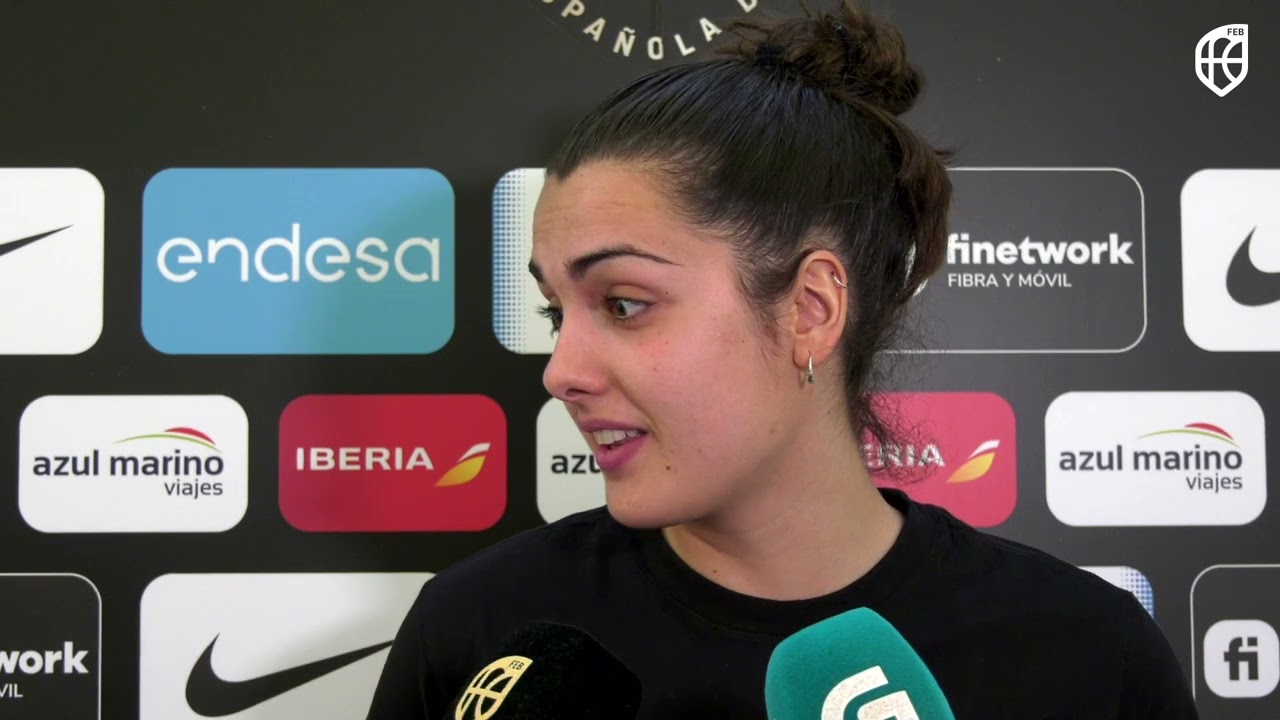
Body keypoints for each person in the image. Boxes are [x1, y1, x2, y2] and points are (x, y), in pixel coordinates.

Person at [366, 1, 1199, 717]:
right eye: (556, 312)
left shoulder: (1089, 656)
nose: (559, 372)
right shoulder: (478, 633)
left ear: (811, 310)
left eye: (623, 304)